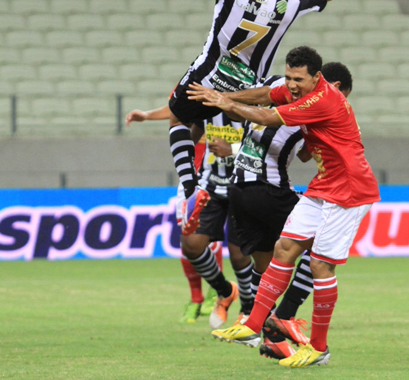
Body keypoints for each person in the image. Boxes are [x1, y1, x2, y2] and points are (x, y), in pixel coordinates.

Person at [112, 0, 336, 236]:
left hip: (207, 76)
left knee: (179, 115)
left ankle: (190, 185)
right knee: (230, 131)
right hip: (246, 94)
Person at [190, 46, 380, 368]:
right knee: (284, 247)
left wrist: (227, 102)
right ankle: (254, 324)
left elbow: (266, 114)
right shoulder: (296, 91)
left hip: (349, 187)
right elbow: (266, 93)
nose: (291, 85)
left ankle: (318, 347)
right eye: (289, 77)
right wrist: (224, 93)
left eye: (298, 79)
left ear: (317, 77)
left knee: (321, 266)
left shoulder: (322, 98)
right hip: (325, 182)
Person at [228, 62, 353, 361]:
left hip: (238, 187)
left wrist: (227, 101)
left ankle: (260, 327)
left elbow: (300, 148)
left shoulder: (283, 91)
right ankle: (282, 318)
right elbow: (271, 120)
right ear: (333, 86)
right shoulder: (313, 102)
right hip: (272, 189)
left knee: (271, 259)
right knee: (316, 252)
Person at [126, 106, 254, 328]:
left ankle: (248, 308)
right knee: (191, 244)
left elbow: (266, 144)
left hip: (244, 185)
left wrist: (232, 149)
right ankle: (225, 291)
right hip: (209, 185)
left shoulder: (254, 104)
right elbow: (186, 125)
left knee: (239, 254)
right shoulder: (208, 101)